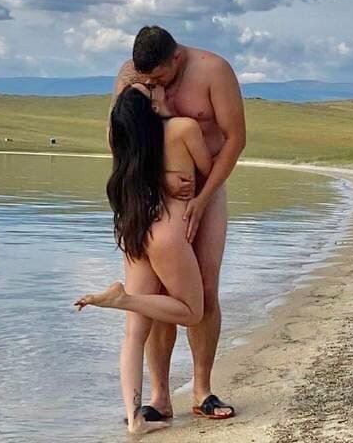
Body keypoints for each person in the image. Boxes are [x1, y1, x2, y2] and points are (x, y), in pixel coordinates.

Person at [109, 26, 245, 422]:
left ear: (176, 58)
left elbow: (235, 139)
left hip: (207, 189)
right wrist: (160, 179)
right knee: (159, 292)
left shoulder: (214, 70)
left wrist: (203, 198)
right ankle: (159, 397)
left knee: (205, 289)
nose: (155, 86)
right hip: (156, 196)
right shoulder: (132, 74)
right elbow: (120, 137)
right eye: (146, 80)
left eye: (159, 78)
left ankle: (202, 390)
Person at [74, 84, 212, 433]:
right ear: (149, 111)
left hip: (135, 227)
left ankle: (135, 420)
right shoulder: (181, 129)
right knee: (192, 311)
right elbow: (207, 170)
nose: (159, 90)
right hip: (167, 233)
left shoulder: (130, 148)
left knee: (134, 334)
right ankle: (123, 299)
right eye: (151, 92)